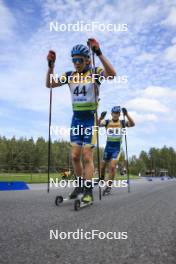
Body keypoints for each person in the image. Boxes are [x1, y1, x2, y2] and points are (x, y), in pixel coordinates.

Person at [46, 39, 116, 203]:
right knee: (75, 156)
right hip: (76, 119)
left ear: (87, 60)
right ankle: (79, 185)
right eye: (74, 60)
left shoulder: (95, 72)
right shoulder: (69, 76)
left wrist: (98, 52)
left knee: (87, 156)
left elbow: (112, 74)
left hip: (90, 120)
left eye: (80, 60)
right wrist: (51, 67)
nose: (76, 63)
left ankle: (88, 191)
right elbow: (49, 84)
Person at [99, 106, 135, 194]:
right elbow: (96, 125)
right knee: (102, 166)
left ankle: (108, 187)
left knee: (112, 167)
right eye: (114, 113)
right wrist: (101, 117)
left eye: (117, 113)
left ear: (119, 114)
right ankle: (102, 178)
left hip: (117, 149)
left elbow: (132, 124)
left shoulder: (122, 122)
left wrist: (126, 114)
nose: (115, 115)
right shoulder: (107, 122)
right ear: (111, 114)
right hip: (108, 148)